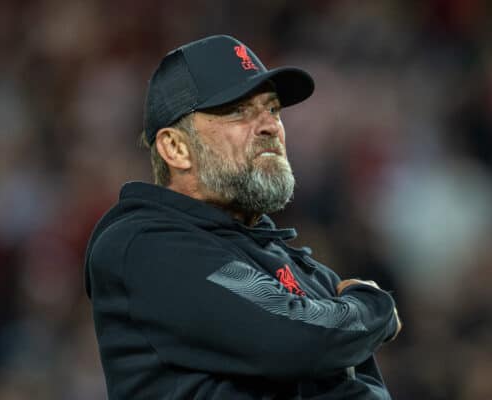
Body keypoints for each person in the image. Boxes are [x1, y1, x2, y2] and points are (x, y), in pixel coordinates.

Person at [84, 34, 402, 400]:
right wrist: (373, 306)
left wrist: (346, 318)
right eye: (238, 110)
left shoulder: (297, 266)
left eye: (273, 109)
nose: (270, 125)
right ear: (175, 147)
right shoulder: (147, 244)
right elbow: (295, 337)